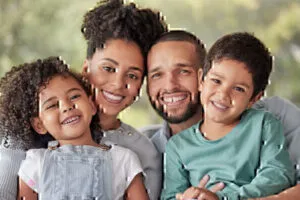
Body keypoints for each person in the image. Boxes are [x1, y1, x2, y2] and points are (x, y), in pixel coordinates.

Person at [144, 30, 300, 199]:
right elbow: (171, 195)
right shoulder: (176, 147)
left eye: (238, 89)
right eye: (216, 81)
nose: (223, 95)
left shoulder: (265, 123)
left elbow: (277, 175)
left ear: (254, 98)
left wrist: (223, 198)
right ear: (202, 79)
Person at [0, 56, 148, 200]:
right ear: (39, 125)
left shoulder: (124, 160)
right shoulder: (36, 163)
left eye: (74, 97)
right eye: (52, 105)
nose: (67, 106)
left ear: (91, 105)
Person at [80, 0, 167, 199]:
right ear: (86, 69)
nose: (119, 83)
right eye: (108, 69)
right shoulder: (47, 126)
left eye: (133, 75)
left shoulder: (143, 153)